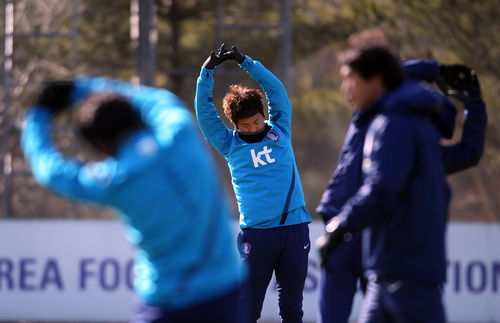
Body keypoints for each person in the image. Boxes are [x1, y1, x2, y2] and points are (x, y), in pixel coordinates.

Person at [20, 77, 243, 323]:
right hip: (227, 293)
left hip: (167, 304)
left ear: (99, 143)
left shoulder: (114, 181)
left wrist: (36, 118)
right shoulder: (180, 132)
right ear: (135, 115)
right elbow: (158, 100)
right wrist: (83, 88)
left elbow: (51, 172)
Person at [316, 59, 487, 323]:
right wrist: (448, 83)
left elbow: (379, 76)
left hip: (360, 234)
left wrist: (437, 73)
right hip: (356, 232)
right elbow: (468, 152)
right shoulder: (378, 116)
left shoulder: (375, 118)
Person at [195, 44, 312, 323]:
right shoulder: (228, 143)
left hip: (294, 229)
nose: (252, 128)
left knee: (292, 308)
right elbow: (205, 114)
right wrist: (206, 73)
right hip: (257, 235)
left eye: (256, 122)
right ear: (235, 124)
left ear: (264, 116)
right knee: (247, 310)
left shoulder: (280, 129)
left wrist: (246, 62)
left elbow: (276, 91)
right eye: (245, 125)